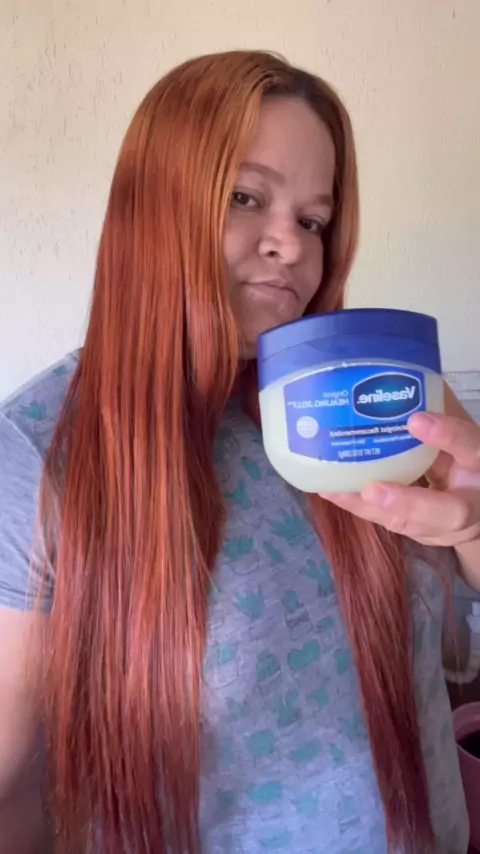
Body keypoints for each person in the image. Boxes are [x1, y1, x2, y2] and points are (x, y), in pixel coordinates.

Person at [0, 50, 479, 854]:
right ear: (153, 205)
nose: (290, 246)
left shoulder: (377, 391)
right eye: (246, 197)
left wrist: (473, 529)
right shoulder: (40, 456)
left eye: (314, 220)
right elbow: (12, 791)